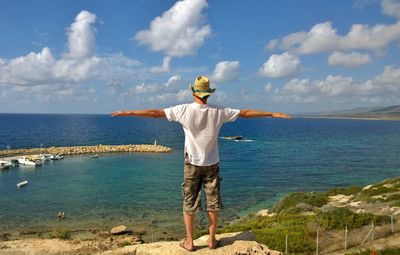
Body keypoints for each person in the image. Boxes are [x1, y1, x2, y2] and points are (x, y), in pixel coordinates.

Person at [111, 76, 290, 251]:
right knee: (213, 202)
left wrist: (129, 112)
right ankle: (212, 241)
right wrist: (272, 113)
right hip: (212, 162)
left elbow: (156, 113)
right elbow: (246, 113)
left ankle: (190, 242)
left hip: (192, 163)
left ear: (193, 92)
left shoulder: (184, 110)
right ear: (208, 93)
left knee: (189, 202)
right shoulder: (219, 111)